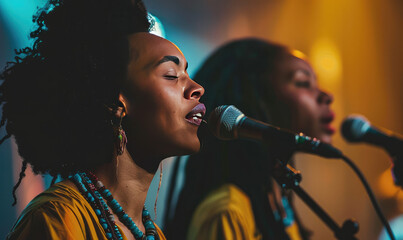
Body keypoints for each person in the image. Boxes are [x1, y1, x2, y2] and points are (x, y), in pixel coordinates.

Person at [1, 0, 205, 239]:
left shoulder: (152, 233)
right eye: (171, 75)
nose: (196, 88)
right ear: (117, 104)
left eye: (187, 74)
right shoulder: (58, 217)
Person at [165, 38, 335, 240]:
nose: (326, 95)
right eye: (303, 82)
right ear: (255, 99)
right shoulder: (227, 212)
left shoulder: (277, 202)